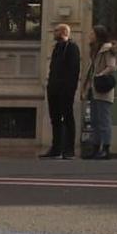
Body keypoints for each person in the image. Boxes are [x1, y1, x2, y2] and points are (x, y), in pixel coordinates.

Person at [42, 22, 81, 159]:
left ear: (64, 32)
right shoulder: (57, 48)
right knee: (55, 119)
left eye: (56, 30)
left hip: (65, 90)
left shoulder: (72, 48)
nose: (53, 32)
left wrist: (70, 89)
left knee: (68, 118)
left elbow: (74, 71)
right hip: (53, 89)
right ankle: (56, 147)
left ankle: (69, 149)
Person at [83, 26, 117, 160]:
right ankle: (96, 147)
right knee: (95, 120)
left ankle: (106, 149)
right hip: (94, 88)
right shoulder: (94, 49)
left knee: (104, 120)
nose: (90, 34)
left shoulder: (107, 49)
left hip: (102, 88)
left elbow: (112, 66)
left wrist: (99, 75)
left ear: (98, 35)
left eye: (92, 33)